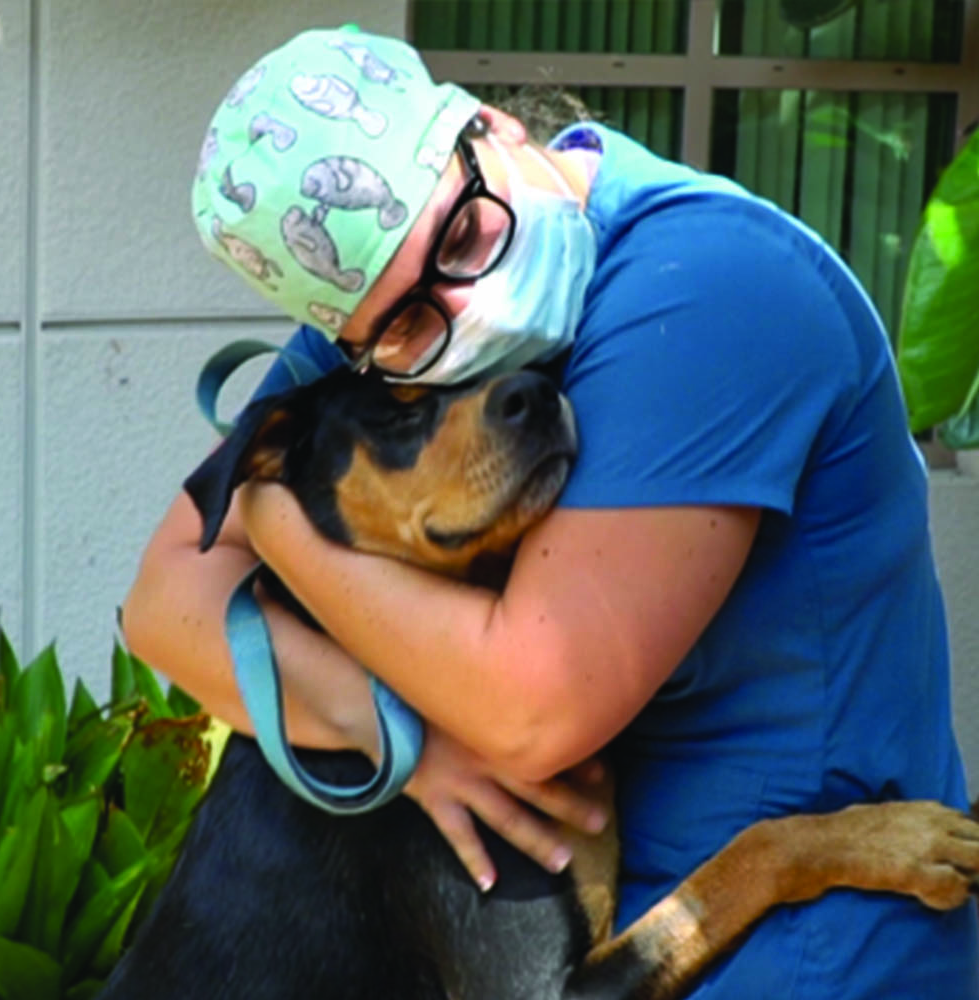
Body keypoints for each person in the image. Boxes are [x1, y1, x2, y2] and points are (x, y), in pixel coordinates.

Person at [124, 26, 978, 997]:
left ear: (491, 129)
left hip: (812, 963)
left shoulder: (703, 288)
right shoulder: (383, 324)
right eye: (399, 322)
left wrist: (274, 523)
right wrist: (406, 744)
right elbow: (164, 602)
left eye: (461, 231)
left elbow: (534, 713)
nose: (459, 305)